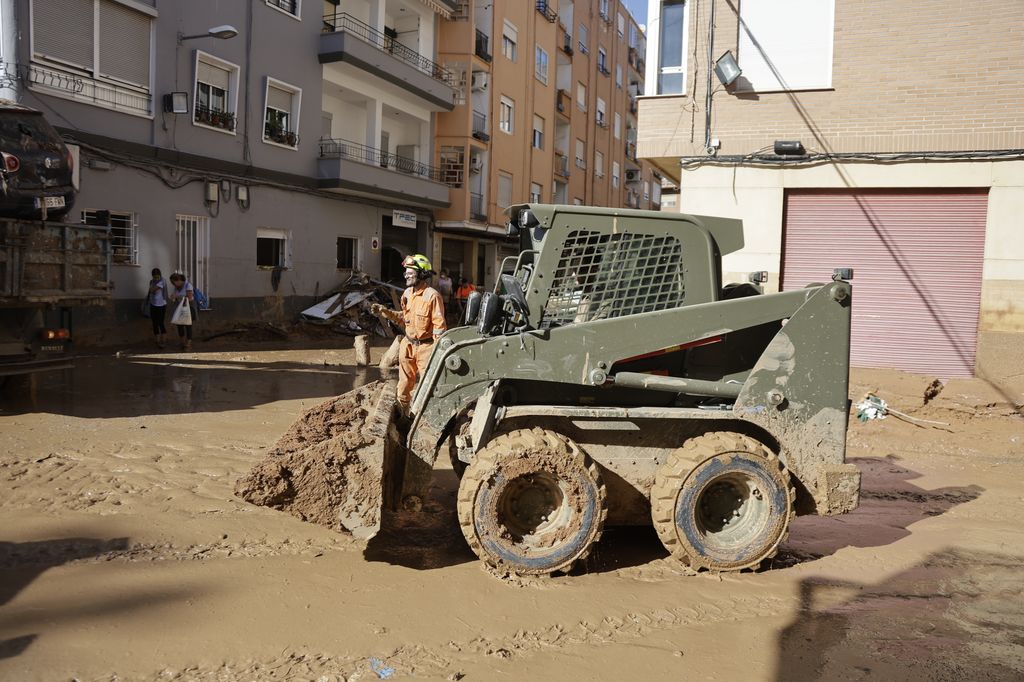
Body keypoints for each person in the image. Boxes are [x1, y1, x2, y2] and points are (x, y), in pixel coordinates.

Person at [371, 254, 447, 413]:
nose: (406, 275)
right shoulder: (407, 294)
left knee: (429, 385)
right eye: (406, 272)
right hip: (408, 345)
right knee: (404, 384)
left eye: (410, 272)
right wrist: (385, 312)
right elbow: (403, 318)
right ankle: (402, 416)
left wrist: (439, 352)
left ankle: (425, 418)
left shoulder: (432, 296)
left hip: (427, 347)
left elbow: (440, 327)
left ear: (422, 274)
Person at [167, 271, 196, 350]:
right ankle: (182, 342)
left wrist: (177, 296)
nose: (173, 284)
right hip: (179, 308)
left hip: (188, 308)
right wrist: (173, 297)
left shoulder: (188, 285)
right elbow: (176, 297)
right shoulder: (176, 287)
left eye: (174, 282)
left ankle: (188, 343)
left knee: (188, 326)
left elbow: (189, 298)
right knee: (179, 325)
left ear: (179, 280)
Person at [147, 268, 168, 348]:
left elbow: (153, 290)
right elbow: (151, 290)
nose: (156, 278)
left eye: (157, 277)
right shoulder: (151, 281)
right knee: (154, 323)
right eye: (155, 277)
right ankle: (157, 340)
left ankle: (163, 340)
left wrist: (152, 288)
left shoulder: (163, 281)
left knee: (160, 322)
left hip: (161, 305)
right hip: (153, 304)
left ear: (160, 275)